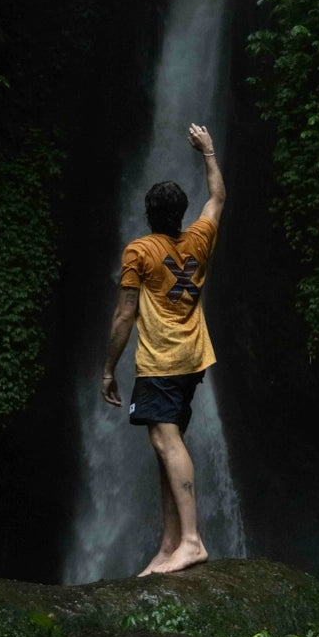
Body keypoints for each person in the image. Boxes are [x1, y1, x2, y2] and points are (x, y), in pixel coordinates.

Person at [101, 122, 226, 575]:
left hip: (162, 360)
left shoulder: (139, 251)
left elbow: (123, 316)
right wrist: (209, 152)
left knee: (165, 439)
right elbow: (218, 199)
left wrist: (108, 370)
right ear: (181, 212)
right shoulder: (199, 238)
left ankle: (192, 541)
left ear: (149, 213)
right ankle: (170, 541)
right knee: (165, 443)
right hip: (193, 358)